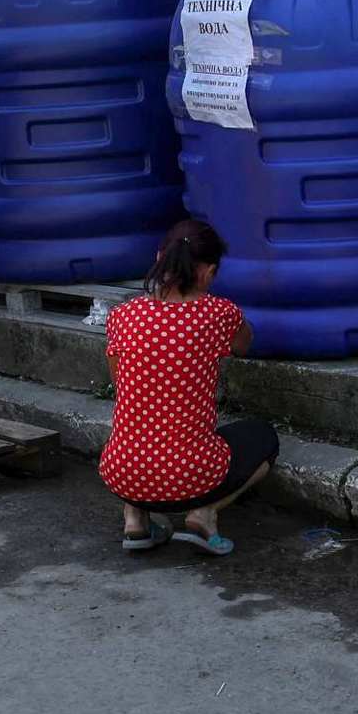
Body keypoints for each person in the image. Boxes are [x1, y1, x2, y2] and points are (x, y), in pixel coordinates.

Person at [98, 219, 280, 557]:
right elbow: (244, 345)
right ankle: (203, 514)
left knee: (140, 440)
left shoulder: (123, 315)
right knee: (264, 438)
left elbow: (120, 384)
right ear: (209, 272)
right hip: (190, 476)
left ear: (158, 258)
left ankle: (135, 517)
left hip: (122, 471)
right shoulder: (219, 313)